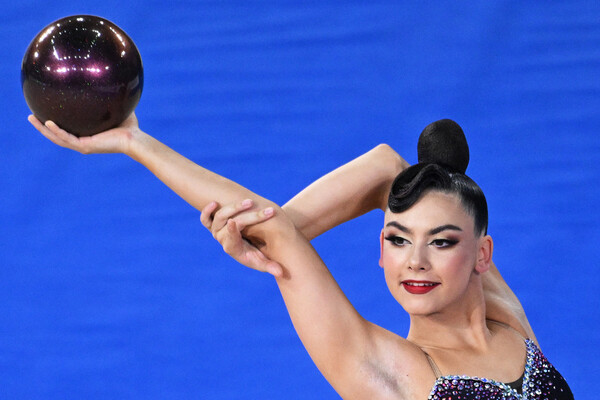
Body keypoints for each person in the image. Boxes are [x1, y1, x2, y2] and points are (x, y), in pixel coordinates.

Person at [29, 115, 573, 399]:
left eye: (442, 242)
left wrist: (271, 233)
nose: (416, 262)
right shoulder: (391, 372)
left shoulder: (509, 326)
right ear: (380, 252)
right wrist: (136, 142)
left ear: (483, 255)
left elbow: (388, 168)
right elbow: (276, 229)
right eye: (397, 239)